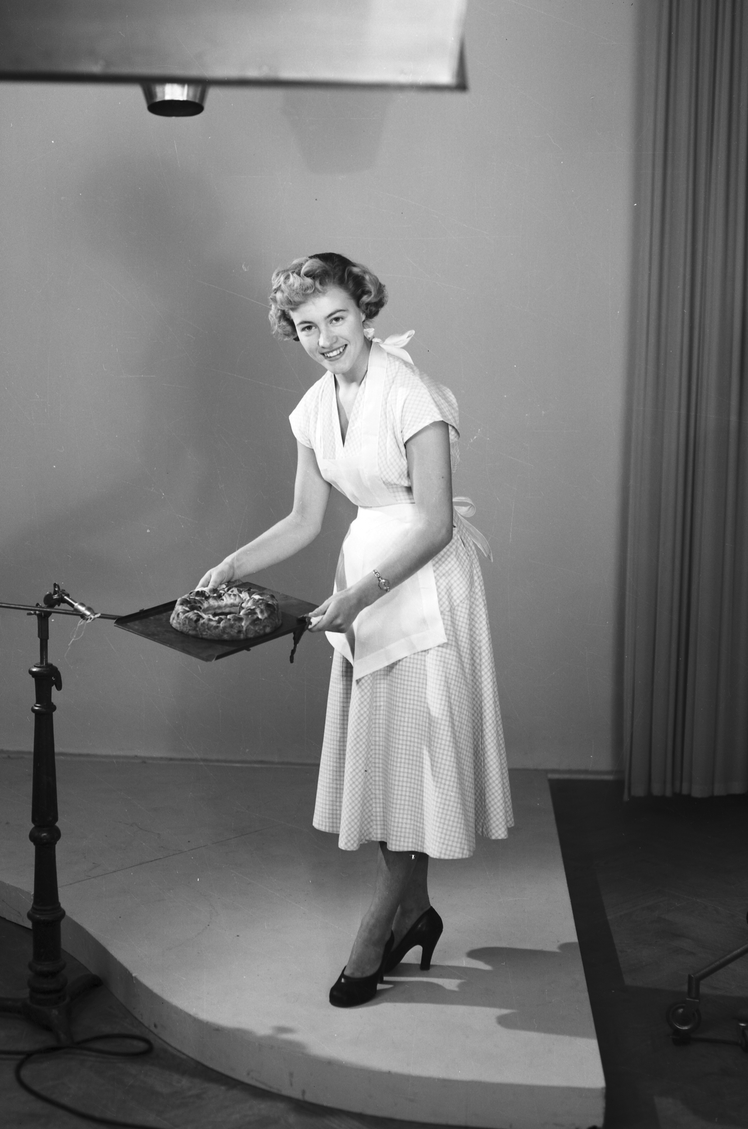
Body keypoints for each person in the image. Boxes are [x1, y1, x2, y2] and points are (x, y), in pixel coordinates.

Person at [197, 252, 513, 1007]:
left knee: (415, 758)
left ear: (365, 312)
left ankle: (375, 931)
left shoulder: (411, 393)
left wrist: (358, 598)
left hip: (423, 584)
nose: (325, 338)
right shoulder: (314, 407)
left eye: (336, 318)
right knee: (391, 760)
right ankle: (416, 912)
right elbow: (304, 519)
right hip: (366, 580)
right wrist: (231, 564)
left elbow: (433, 525)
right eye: (306, 326)